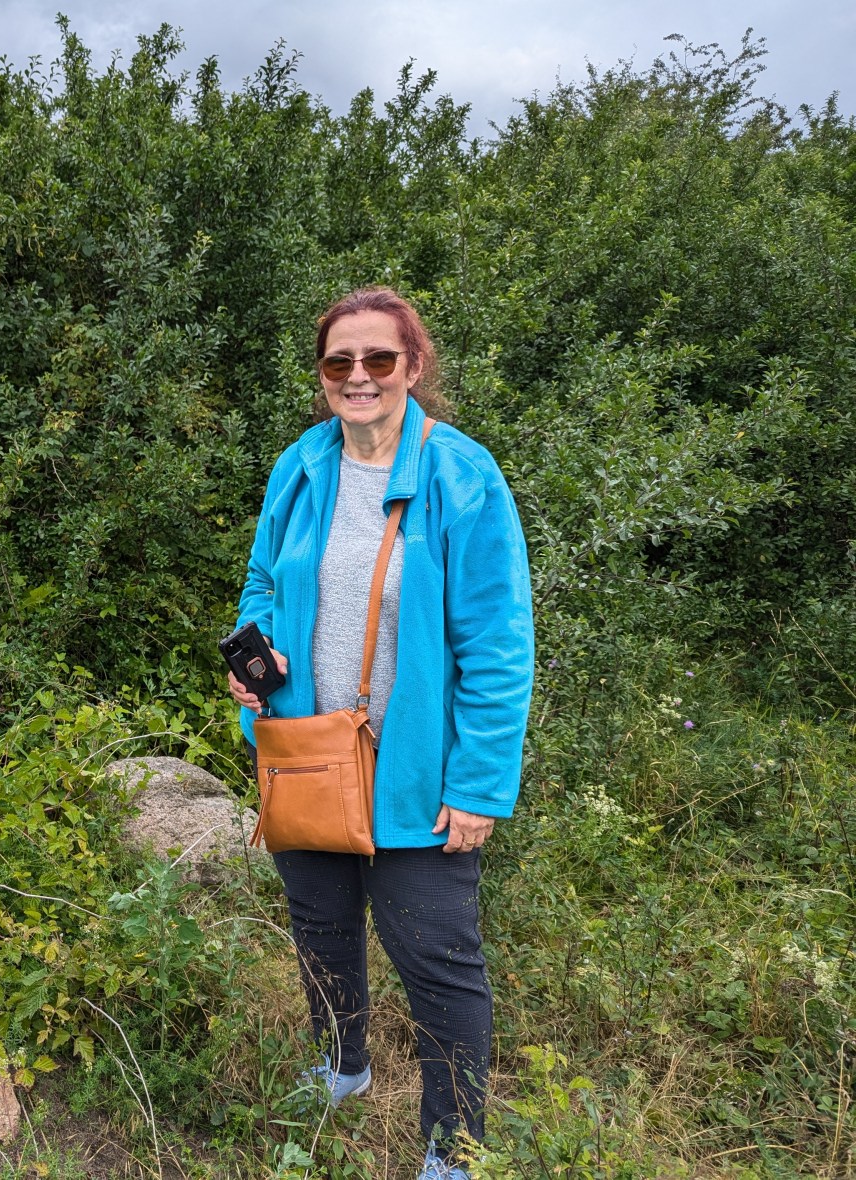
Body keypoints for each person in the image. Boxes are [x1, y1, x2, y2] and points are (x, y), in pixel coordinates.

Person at [228, 286, 534, 1179]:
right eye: (339, 360)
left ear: (414, 366)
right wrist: (256, 656)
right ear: (323, 374)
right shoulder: (302, 465)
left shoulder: (462, 476)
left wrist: (477, 786)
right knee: (320, 927)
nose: (357, 375)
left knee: (439, 963)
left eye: (378, 359)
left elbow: (498, 645)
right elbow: (262, 580)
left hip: (414, 775)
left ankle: (452, 1150)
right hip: (305, 754)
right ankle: (343, 1066)